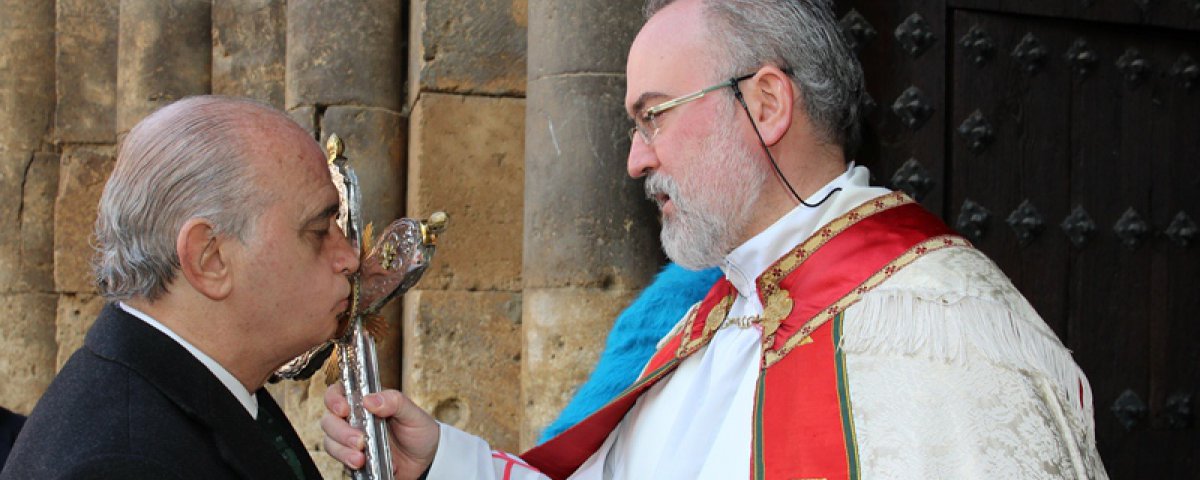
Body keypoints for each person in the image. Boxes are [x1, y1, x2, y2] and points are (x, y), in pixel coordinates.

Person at [321, 0, 1109, 478]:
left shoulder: (943, 337)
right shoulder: (711, 322)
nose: (635, 159)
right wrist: (444, 462)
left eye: (652, 115)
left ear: (766, 103)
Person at [1, 96, 359, 479]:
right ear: (210, 259)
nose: (349, 259)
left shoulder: (196, 381)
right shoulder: (122, 464)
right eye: (320, 232)